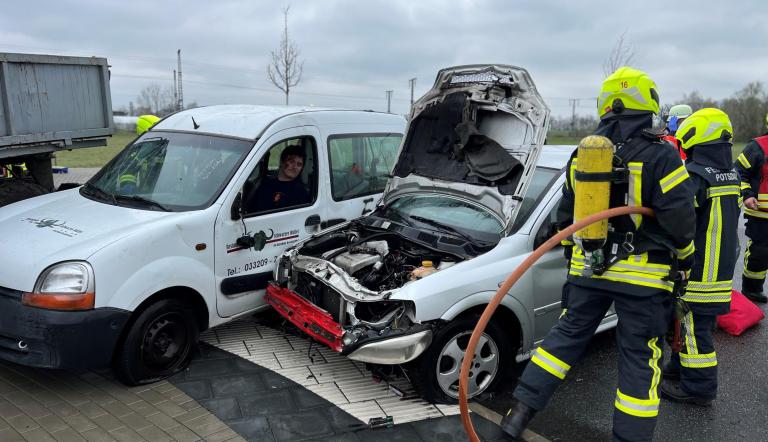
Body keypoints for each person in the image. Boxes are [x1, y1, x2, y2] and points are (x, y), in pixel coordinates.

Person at [501, 67, 696, 442]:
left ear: (606, 105)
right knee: (639, 360)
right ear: (649, 105)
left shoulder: (585, 153)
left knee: (561, 342)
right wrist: (686, 259)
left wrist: (585, 254)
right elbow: (681, 222)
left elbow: (565, 217)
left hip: (588, 272)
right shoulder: (662, 157)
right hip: (643, 280)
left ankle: (515, 418)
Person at [658, 108, 740, 406]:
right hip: (720, 268)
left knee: (693, 329)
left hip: (700, 268)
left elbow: (678, 218)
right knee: (689, 323)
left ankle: (699, 389)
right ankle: (678, 369)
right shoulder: (730, 175)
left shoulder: (696, 176)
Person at [734, 113, 768, 303]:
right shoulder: (757, 147)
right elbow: (739, 172)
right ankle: (752, 289)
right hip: (761, 212)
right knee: (760, 253)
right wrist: (747, 195)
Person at [250, 145, 311, 212]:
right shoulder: (266, 185)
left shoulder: (301, 193)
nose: (295, 167)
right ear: (282, 162)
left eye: (299, 164)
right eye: (291, 162)